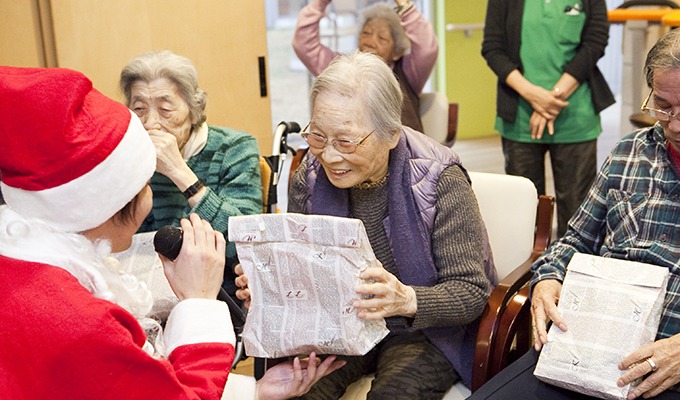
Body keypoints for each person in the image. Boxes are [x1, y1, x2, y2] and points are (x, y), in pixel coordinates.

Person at [0, 66, 344, 400]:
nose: (152, 122)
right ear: (118, 201)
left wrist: (253, 390)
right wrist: (198, 302)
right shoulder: (82, 324)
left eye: (165, 108)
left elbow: (134, 385)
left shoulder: (24, 266)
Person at [236, 50, 495, 399]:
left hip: (424, 332)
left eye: (345, 141)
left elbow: (471, 292)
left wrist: (405, 299)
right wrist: (269, 287)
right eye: (318, 137)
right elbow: (305, 276)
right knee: (302, 393)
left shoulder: (439, 178)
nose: (328, 156)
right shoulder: (309, 179)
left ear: (391, 133)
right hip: (338, 327)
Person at [468, 27, 680, 400]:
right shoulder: (629, 154)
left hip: (667, 368)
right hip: (587, 350)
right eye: (663, 105)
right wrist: (548, 278)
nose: (674, 124)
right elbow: (575, 240)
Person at [119, 50, 262, 300]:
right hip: (140, 295)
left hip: (217, 299)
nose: (151, 123)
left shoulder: (234, 149)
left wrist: (179, 172)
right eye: (139, 109)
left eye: (165, 109)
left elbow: (245, 249)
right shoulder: (123, 155)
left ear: (193, 111)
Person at [481, 0, 615, 237]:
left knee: (578, 216)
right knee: (524, 215)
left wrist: (551, 98)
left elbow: (595, 42)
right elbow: (492, 48)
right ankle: (529, 275)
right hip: (520, 116)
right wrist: (533, 95)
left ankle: (569, 271)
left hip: (575, 115)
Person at [293, 0, 438, 132]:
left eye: (382, 38)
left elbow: (427, 49)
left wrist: (405, 6)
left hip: (401, 155)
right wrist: (321, 2)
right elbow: (304, 45)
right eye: (366, 33)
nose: (370, 42)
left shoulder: (408, 71)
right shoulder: (340, 66)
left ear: (397, 51)